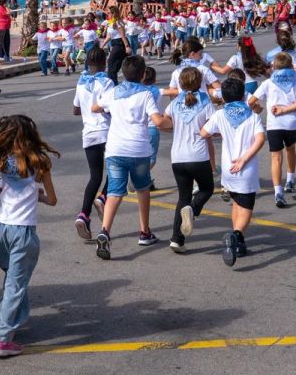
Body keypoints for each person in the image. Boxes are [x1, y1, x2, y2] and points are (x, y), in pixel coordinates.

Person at [0, 115, 58, 357]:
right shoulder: (40, 163)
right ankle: (2, 338)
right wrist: (37, 195)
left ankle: (12, 321)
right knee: (16, 282)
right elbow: (53, 199)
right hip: (24, 230)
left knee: (12, 277)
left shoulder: (1, 161)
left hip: (2, 227)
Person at [92, 56, 172, 259]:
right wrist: (172, 123)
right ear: (143, 74)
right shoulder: (146, 94)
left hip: (115, 149)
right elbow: (157, 121)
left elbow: (95, 107)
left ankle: (105, 231)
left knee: (114, 193)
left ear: (123, 73)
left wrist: (109, 111)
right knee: (142, 189)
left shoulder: (113, 92)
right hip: (138, 149)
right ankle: (145, 231)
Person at [201, 77, 267, 267]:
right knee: (246, 206)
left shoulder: (220, 115)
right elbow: (260, 139)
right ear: (242, 94)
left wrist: (220, 132)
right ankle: (236, 235)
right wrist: (245, 158)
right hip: (246, 168)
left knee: (237, 202)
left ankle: (239, 241)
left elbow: (204, 133)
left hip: (228, 169)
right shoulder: (252, 116)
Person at [163, 67, 215, 254]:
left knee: (182, 197)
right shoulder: (206, 102)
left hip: (177, 156)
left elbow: (165, 119)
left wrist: (176, 128)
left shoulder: (176, 102)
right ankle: (192, 210)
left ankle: (177, 239)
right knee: (207, 189)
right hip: (198, 155)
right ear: (199, 82)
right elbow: (211, 128)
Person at [252, 52, 296, 208]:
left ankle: (278, 192)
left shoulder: (268, 83)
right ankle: (290, 180)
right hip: (292, 124)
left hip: (274, 125)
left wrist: (257, 108)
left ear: (273, 67)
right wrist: (287, 109)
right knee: (290, 149)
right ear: (290, 66)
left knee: (276, 157)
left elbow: (251, 101)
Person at [72, 47, 113, 241]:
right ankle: (103, 197)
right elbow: (111, 106)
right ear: (104, 62)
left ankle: (83, 215)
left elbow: (75, 110)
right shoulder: (107, 82)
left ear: (87, 62)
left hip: (88, 133)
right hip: (106, 131)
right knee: (115, 170)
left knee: (94, 176)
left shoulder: (81, 83)